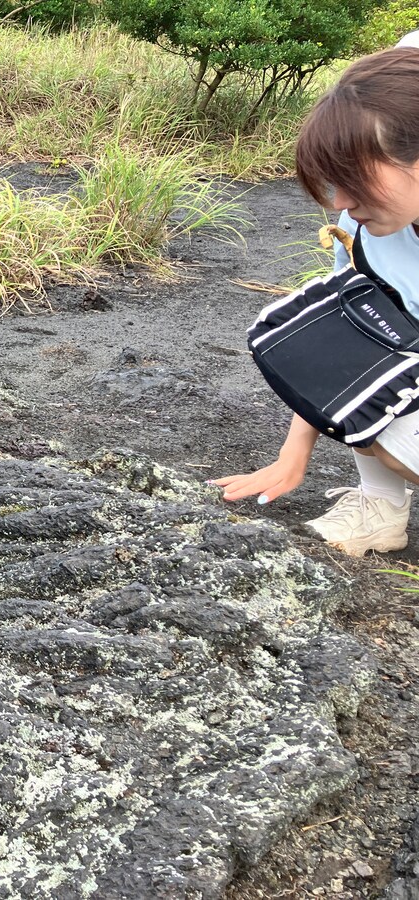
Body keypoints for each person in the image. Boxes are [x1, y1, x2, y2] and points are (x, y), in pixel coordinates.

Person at [216, 46, 419, 556]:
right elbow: (350, 348)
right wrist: (293, 454)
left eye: (355, 180)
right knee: (349, 368)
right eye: (334, 181)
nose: (340, 203)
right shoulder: (364, 227)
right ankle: (379, 507)